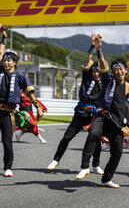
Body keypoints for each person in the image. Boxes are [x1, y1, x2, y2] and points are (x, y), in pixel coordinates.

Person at [76, 35, 129, 188]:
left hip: (117, 123)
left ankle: (106, 179)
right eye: (115, 68)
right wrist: (99, 50)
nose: (118, 71)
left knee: (117, 152)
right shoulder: (108, 80)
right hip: (103, 116)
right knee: (92, 133)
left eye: (120, 68)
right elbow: (103, 66)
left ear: (125, 71)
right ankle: (85, 167)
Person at [47, 34, 103, 176]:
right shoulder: (87, 76)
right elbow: (87, 61)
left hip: (95, 116)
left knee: (95, 141)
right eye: (95, 70)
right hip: (80, 112)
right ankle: (56, 159)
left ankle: (95, 165)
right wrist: (92, 46)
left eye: (99, 71)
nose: (96, 73)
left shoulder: (105, 84)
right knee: (67, 137)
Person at [0, 25, 43, 177]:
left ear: (15, 63)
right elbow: (0, 52)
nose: (6, 62)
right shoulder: (0, 71)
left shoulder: (20, 77)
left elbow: (30, 93)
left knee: (6, 141)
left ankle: (7, 167)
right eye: (4, 60)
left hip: (7, 113)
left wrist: (37, 107)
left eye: (9, 60)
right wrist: (3, 37)